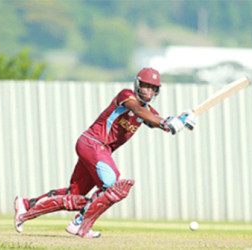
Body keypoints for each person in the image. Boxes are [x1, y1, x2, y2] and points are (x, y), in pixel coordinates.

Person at [14, 68, 197, 238]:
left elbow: (159, 122)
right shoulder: (127, 96)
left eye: (153, 88)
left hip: (97, 148)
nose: (148, 91)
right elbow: (139, 111)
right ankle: (79, 223)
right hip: (93, 143)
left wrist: (182, 121)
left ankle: (26, 204)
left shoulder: (148, 112)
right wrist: (167, 122)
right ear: (138, 84)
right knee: (111, 183)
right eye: (146, 86)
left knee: (74, 194)